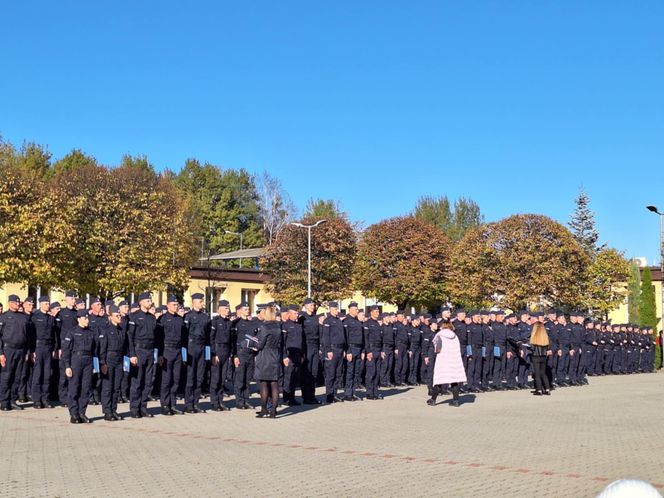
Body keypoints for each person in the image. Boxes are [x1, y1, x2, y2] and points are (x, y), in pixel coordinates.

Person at [62, 310, 97, 423]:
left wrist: (95, 365)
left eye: (88, 318)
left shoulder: (91, 332)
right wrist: (67, 366)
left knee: (85, 388)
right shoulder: (72, 332)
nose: (87, 320)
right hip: (75, 361)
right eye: (85, 318)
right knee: (74, 387)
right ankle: (74, 414)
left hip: (88, 361)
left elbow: (95, 350)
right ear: (79, 319)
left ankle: (82, 413)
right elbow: (66, 350)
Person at [127, 292, 158, 418]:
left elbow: (155, 337)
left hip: (150, 351)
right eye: (147, 301)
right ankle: (134, 408)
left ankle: (143, 407)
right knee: (137, 381)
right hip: (139, 350)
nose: (149, 303)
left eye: (150, 301)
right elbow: (130, 336)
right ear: (140, 302)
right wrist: (132, 354)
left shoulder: (152, 317)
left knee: (148, 381)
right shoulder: (133, 317)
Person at [254, 305, 288, 418]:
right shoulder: (278, 326)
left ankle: (264, 409)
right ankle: (273, 410)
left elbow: (261, 344)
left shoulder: (264, 326)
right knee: (274, 384)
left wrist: (254, 344)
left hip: (265, 356)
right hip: (275, 356)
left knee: (264, 383)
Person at [0, 295, 30, 411]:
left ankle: (12, 400)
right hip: (8, 350)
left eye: (19, 302)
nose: (18, 304)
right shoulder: (3, 317)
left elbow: (27, 336)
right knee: (6, 376)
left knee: (18, 377)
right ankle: (4, 401)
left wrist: (27, 351)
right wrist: (1, 353)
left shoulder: (24, 317)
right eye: (16, 302)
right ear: (10, 303)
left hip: (21, 350)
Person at [428, 320, 467, 407]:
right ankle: (456, 401)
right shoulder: (455, 336)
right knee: (454, 381)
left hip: (443, 360)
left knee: (439, 380)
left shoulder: (439, 335)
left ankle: (433, 400)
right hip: (454, 360)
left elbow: (437, 349)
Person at [98, 305, 126, 420]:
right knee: (107, 387)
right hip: (109, 359)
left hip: (119, 360)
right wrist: (102, 363)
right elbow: (102, 348)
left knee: (116, 387)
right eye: (117, 315)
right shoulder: (106, 330)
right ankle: (107, 411)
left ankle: (114, 410)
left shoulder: (121, 330)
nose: (119, 317)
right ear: (110, 317)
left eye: (120, 315)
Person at [30, 296, 56, 409]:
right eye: (45, 303)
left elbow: (54, 335)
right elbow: (31, 335)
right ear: (40, 304)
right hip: (38, 346)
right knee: (37, 374)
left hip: (48, 347)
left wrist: (55, 349)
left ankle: (45, 399)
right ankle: (36, 400)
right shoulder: (35, 317)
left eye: (48, 303)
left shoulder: (51, 318)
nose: (47, 305)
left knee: (47, 374)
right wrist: (32, 350)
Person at [210, 299, 232, 411]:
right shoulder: (215, 321)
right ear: (219, 310)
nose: (228, 310)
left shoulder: (229, 322)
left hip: (226, 350)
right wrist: (213, 354)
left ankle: (220, 401)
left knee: (223, 379)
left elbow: (231, 339)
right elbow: (211, 338)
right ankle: (214, 402)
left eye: (228, 308)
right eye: (226, 308)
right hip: (218, 350)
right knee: (216, 378)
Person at [530, 322, 552, 396]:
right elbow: (548, 346)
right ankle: (547, 389)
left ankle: (539, 390)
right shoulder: (545, 337)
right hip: (543, 356)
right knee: (543, 373)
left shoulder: (534, 336)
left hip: (536, 356)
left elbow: (532, 347)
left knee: (537, 373)